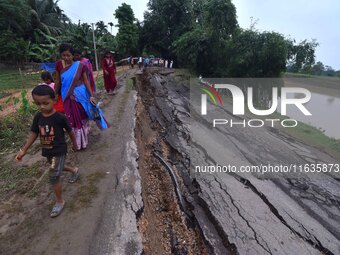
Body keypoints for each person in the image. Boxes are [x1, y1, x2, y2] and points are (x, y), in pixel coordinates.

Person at [16, 85, 80, 218]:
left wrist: (75, 144)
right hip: (47, 151)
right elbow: (34, 133)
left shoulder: (60, 117)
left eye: (45, 103)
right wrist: (24, 150)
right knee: (57, 167)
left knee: (53, 176)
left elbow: (70, 132)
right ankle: (74, 170)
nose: (42, 107)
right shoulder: (38, 116)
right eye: (38, 104)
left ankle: (59, 201)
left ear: (55, 100)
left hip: (59, 150)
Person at [54, 43, 108, 151]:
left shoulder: (80, 65)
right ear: (60, 55)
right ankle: (77, 142)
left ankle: (81, 142)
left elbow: (85, 80)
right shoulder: (59, 65)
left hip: (80, 94)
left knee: (82, 116)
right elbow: (58, 81)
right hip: (66, 96)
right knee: (72, 119)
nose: (66, 58)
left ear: (72, 55)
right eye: (63, 55)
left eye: (68, 55)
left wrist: (91, 94)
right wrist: (54, 94)